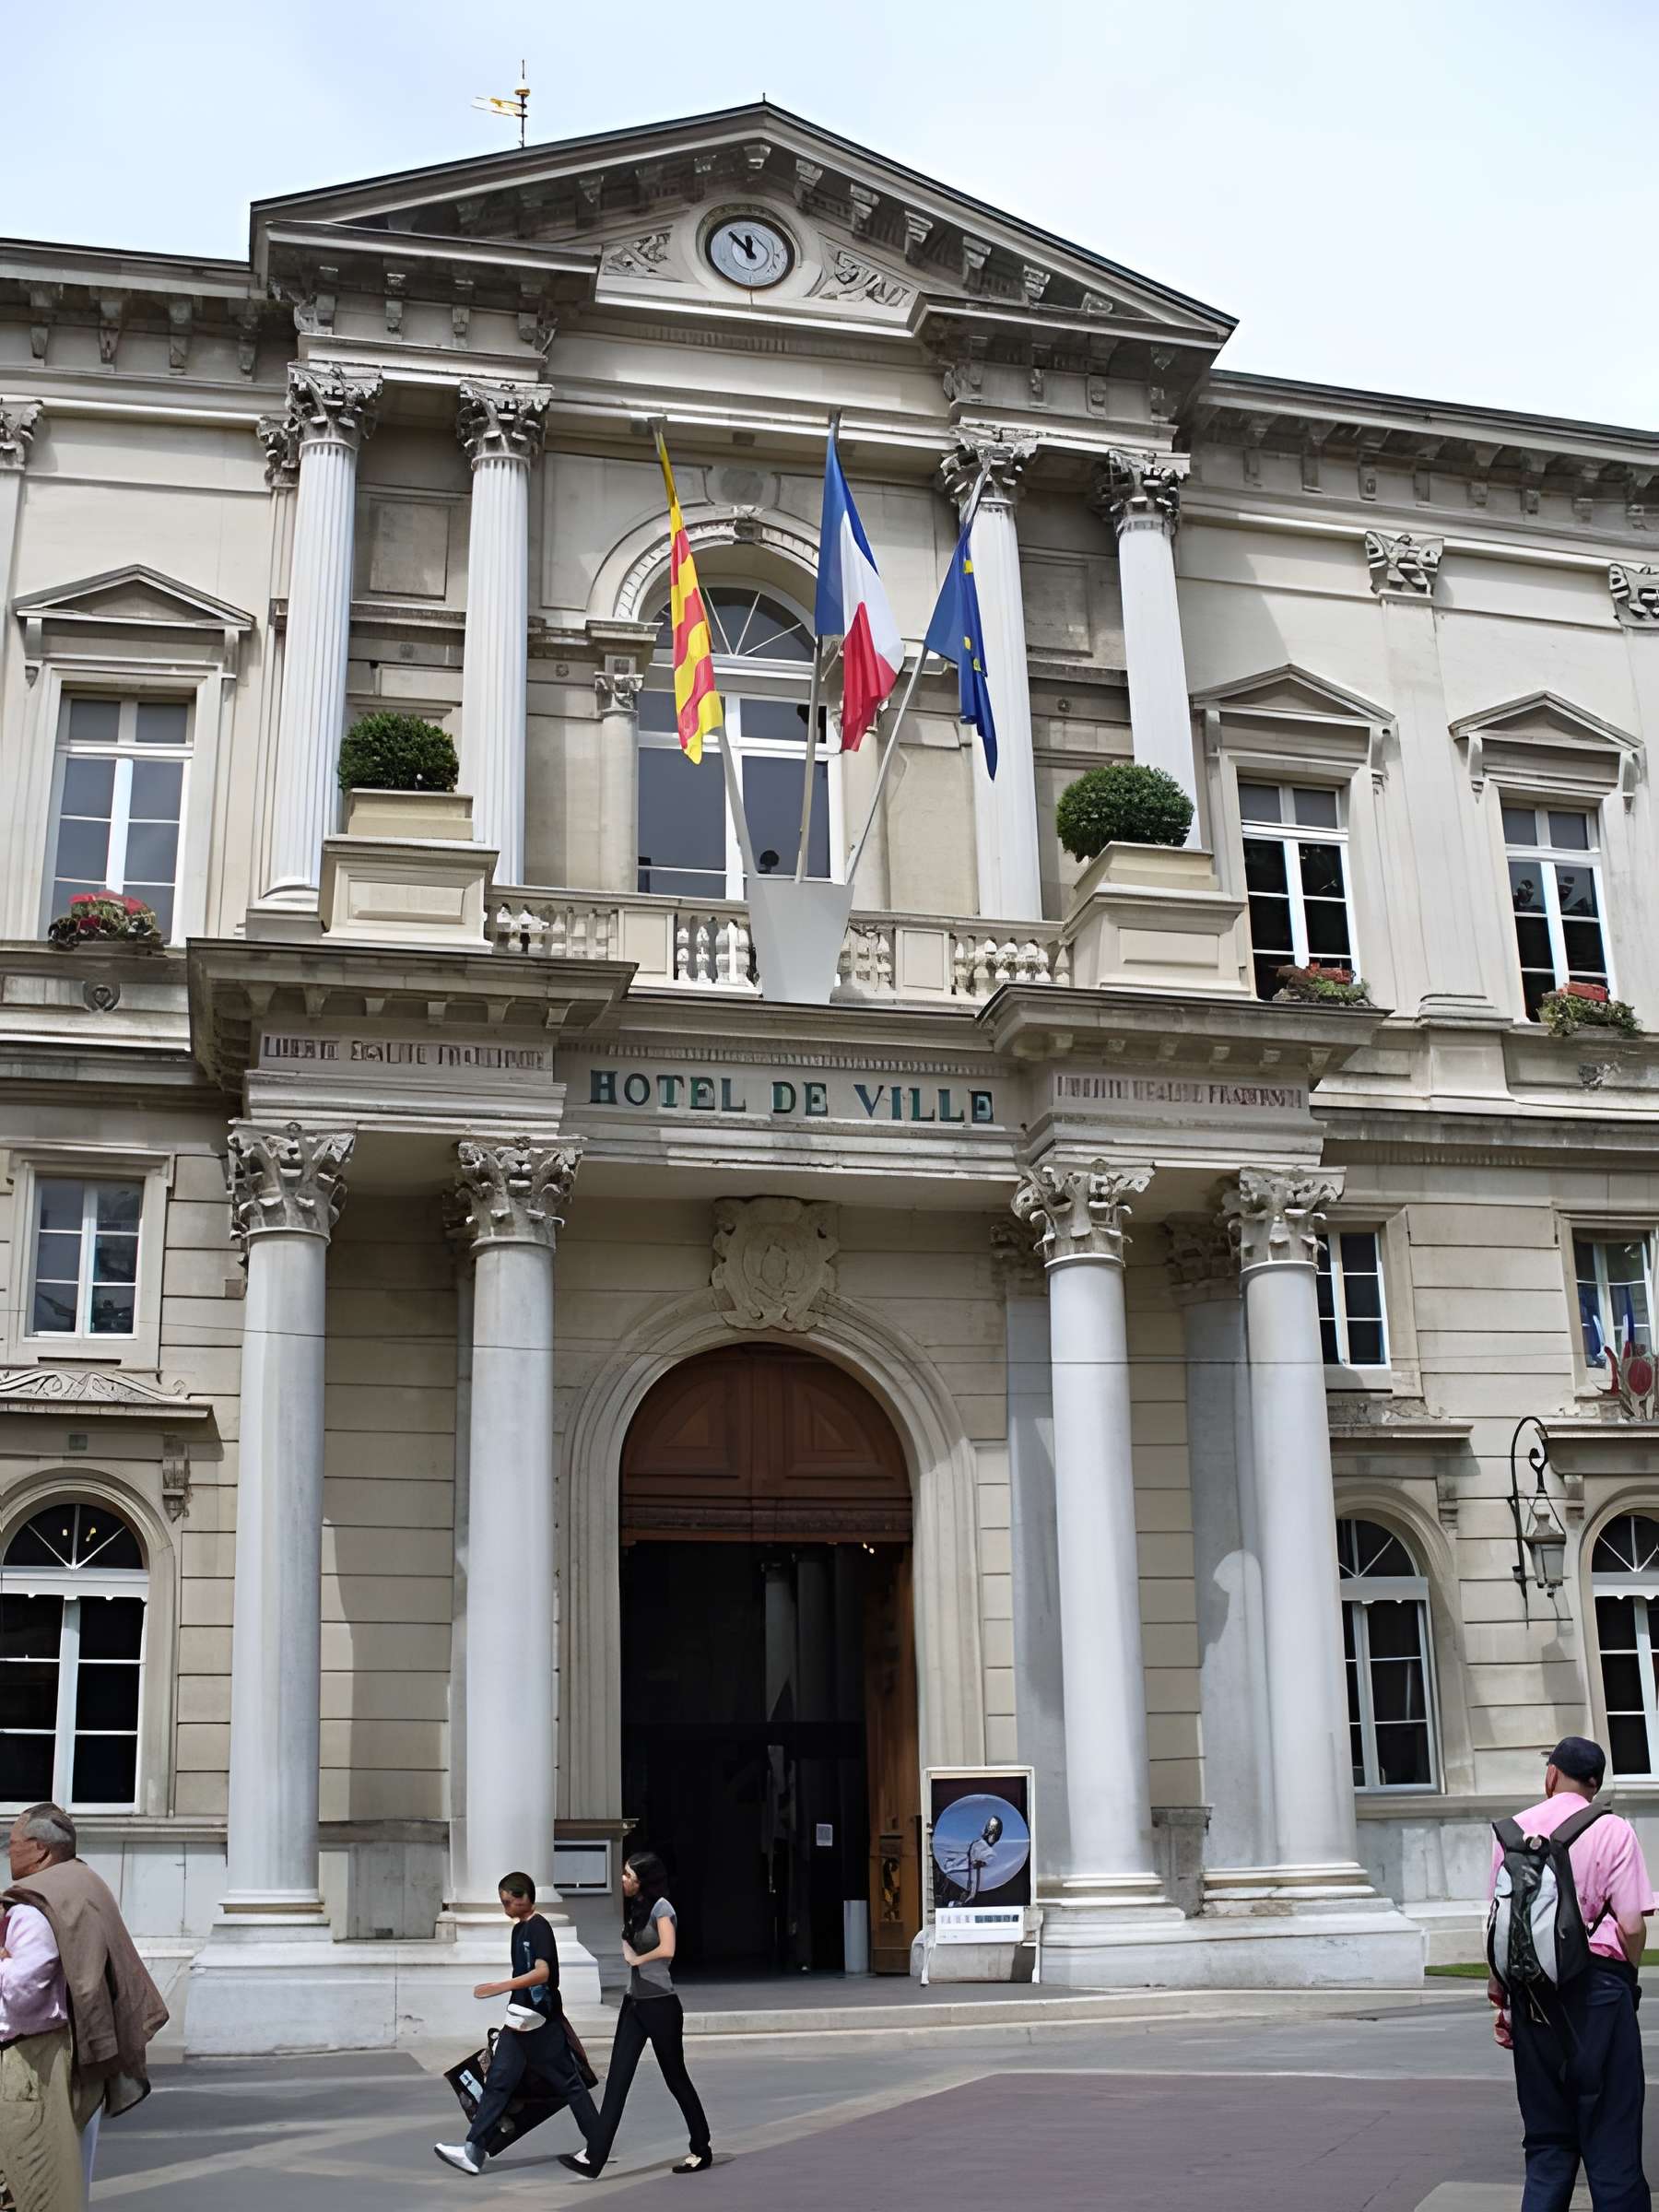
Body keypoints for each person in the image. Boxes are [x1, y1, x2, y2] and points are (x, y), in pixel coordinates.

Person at [1488, 1736, 1656, 2211]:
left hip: (1533, 1999)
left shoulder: (1510, 1833)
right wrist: (1627, 1979)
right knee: (1612, 2142)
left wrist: (1503, 2001)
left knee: (1547, 2145)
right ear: (1595, 1784)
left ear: (1552, 1775)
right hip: (1600, 1989)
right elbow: (1631, 1925)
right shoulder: (1612, 1829)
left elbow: (1499, 1926)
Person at [2, 1801, 169, 2212]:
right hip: (85, 2053)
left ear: (40, 1849)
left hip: (35, 2062)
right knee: (68, 2169)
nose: (8, 1851)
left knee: (32, 2183)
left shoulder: (34, 1905)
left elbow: (23, 1994)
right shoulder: (86, 1885)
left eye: (13, 1842)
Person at [434, 1872, 602, 2177]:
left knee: (569, 2084)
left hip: (541, 2022)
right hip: (519, 2021)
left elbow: (543, 1973)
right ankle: (473, 2151)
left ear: (524, 1897)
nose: (505, 1908)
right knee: (498, 2083)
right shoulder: (519, 1930)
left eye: (508, 1902)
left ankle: (599, 2145)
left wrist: (499, 1987)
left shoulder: (539, 1927)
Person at [559, 1852, 712, 2180]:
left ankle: (702, 2147)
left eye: (628, 1875)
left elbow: (668, 1950)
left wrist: (635, 1959)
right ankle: (594, 2158)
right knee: (617, 2081)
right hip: (634, 2004)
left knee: (676, 2078)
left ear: (643, 1880)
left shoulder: (662, 1908)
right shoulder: (638, 1909)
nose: (623, 1880)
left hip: (661, 2005)